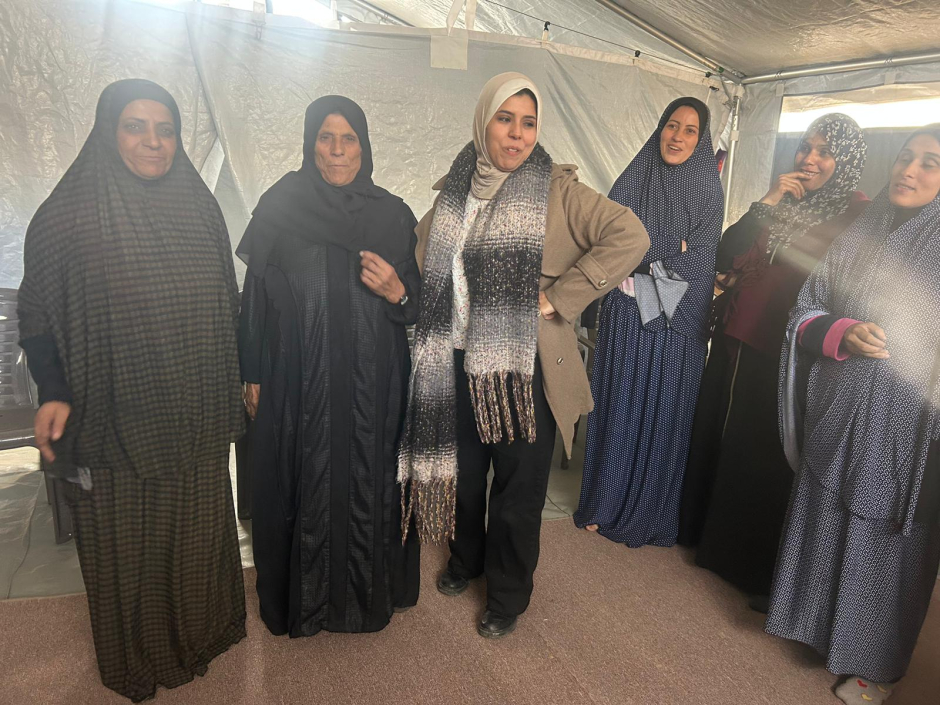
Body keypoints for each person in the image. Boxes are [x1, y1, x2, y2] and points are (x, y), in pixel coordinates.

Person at [17, 79, 246, 702]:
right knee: (127, 541)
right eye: (135, 127)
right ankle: (139, 658)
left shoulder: (198, 208)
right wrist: (53, 389)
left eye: (165, 130)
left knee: (195, 529)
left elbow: (226, 304)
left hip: (194, 410)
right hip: (111, 414)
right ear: (107, 132)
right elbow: (37, 313)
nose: (153, 141)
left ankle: (202, 634)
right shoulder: (67, 214)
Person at [398, 72, 648, 639]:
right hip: (457, 361)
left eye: (528, 123)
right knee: (464, 478)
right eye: (505, 119)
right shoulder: (454, 192)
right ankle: (466, 560)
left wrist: (562, 297)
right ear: (483, 122)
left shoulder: (558, 192)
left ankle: (507, 594)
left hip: (523, 368)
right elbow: (418, 259)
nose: (517, 134)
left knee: (516, 491)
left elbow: (630, 235)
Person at [237, 95, 421, 637]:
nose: (337, 150)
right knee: (301, 471)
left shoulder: (392, 215)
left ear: (364, 148)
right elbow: (254, 300)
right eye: (326, 137)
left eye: (349, 139)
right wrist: (252, 373)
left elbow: (417, 304)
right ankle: (306, 602)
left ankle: (366, 599)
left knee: (371, 476)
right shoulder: (280, 207)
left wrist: (397, 290)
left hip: (374, 381)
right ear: (310, 144)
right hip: (299, 377)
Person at [768, 125, 940, 705]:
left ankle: (875, 664)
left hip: (910, 429)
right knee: (828, 511)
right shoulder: (862, 231)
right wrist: (841, 331)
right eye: (905, 157)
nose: (909, 170)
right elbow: (808, 306)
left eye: (930, 163)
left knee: (889, 537)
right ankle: (817, 628)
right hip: (841, 406)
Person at [678, 114, 868, 606]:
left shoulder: (857, 215)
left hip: (788, 353)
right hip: (736, 338)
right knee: (718, 435)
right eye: (805, 147)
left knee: (762, 454)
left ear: (846, 161)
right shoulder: (785, 201)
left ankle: (749, 568)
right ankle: (702, 537)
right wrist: (768, 200)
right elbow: (726, 255)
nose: (809, 159)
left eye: (825, 152)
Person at [574, 97, 724, 547]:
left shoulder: (707, 192)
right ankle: (603, 503)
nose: (677, 136)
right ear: (660, 128)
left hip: (672, 329)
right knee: (617, 408)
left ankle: (646, 512)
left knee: (659, 418)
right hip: (624, 316)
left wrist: (641, 256)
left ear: (701, 140)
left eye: (690, 130)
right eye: (672, 125)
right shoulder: (633, 177)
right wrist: (668, 248)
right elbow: (607, 240)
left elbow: (700, 265)